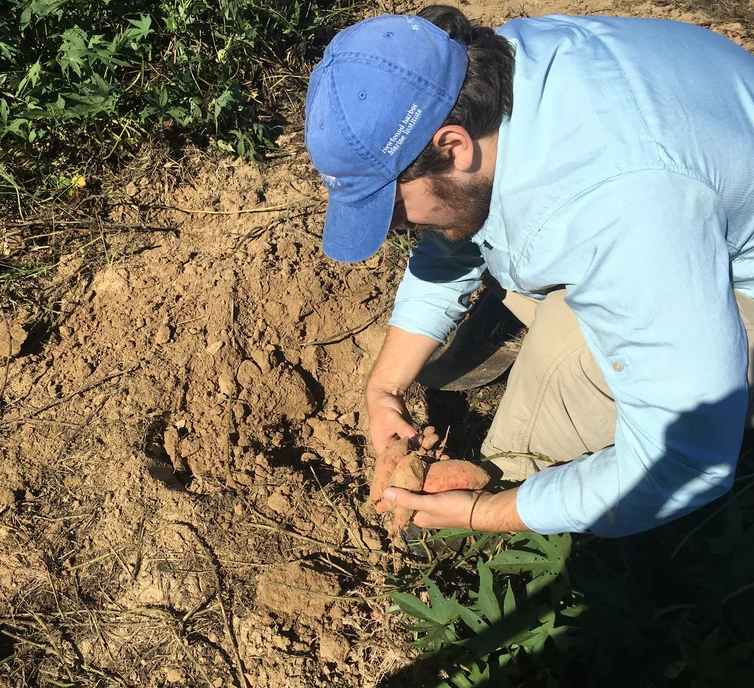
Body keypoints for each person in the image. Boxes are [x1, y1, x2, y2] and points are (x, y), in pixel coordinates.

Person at [304, 7, 754, 536]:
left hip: (705, 259)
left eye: (392, 206)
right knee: (454, 215)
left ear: (452, 145)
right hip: (688, 210)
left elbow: (689, 461)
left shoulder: (622, 207)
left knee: (562, 358)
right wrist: (383, 389)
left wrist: (483, 512)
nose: (395, 226)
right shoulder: (497, 69)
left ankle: (491, 490)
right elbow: (452, 213)